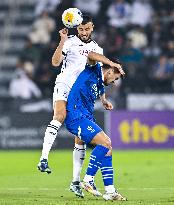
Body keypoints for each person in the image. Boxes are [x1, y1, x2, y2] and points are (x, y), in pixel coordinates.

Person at [37, 15, 123, 176]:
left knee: (80, 136)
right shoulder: (69, 41)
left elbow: (98, 76)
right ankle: (43, 158)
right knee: (60, 115)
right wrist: (62, 40)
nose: (84, 32)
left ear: (92, 28)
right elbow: (55, 63)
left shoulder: (98, 49)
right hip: (64, 84)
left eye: (87, 29)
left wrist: (103, 98)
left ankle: (76, 181)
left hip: (80, 93)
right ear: (77, 28)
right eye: (81, 29)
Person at [65, 60, 127, 201]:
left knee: (108, 148)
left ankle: (110, 191)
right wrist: (115, 64)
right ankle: (88, 180)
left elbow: (101, 88)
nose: (114, 81)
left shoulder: (100, 81)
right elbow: (91, 55)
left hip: (86, 117)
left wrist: (104, 100)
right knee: (105, 143)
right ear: (110, 70)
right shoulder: (93, 69)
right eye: (115, 78)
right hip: (76, 115)